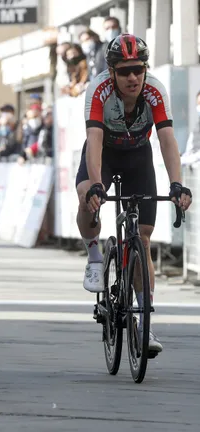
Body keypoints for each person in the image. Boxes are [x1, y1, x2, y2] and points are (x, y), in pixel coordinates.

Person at [77, 34, 192, 355]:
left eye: (138, 70)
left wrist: (176, 183)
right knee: (86, 194)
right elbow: (94, 139)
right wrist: (97, 184)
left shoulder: (155, 89)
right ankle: (95, 256)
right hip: (105, 151)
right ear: (111, 71)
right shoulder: (97, 89)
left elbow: (167, 138)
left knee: (142, 238)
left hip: (138, 156)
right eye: (125, 71)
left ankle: (146, 325)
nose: (132, 78)